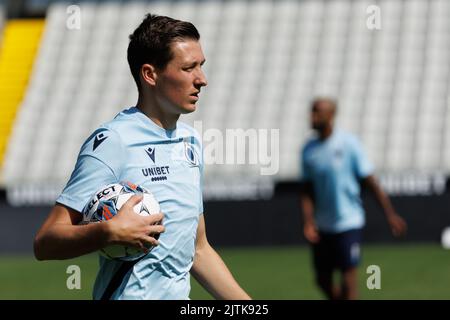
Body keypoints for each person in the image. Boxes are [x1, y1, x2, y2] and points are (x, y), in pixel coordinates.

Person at [34, 13, 250, 300]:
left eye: (201, 66)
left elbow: (197, 249)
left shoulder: (192, 141)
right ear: (150, 74)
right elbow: (46, 242)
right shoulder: (114, 140)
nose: (202, 80)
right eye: (188, 68)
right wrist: (107, 232)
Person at [299, 97, 407, 300]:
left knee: (349, 280)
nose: (312, 116)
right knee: (322, 281)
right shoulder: (308, 150)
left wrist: (390, 215)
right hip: (323, 226)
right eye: (311, 111)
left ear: (331, 115)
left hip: (349, 222)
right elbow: (306, 189)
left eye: (317, 112)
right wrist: (308, 220)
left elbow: (371, 182)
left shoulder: (349, 144)